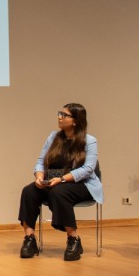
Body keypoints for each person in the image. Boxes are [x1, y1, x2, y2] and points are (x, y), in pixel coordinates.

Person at [17, 103, 103, 261]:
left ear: (76, 121)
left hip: (81, 184)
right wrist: (39, 177)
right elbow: (40, 161)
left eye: (64, 115)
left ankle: (73, 239)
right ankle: (30, 239)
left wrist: (63, 179)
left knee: (59, 192)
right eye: (59, 113)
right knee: (28, 191)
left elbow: (88, 169)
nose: (59, 117)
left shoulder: (89, 141)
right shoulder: (53, 137)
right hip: (53, 181)